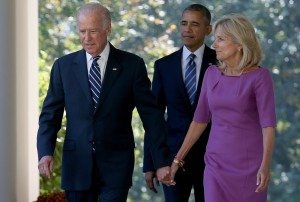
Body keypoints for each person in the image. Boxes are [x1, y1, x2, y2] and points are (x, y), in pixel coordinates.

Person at [37, 3, 172, 202]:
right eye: (82, 31)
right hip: (77, 165)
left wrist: (161, 162)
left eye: (93, 31)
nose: (86, 38)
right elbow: (50, 116)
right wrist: (45, 152)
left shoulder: (132, 66)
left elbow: (152, 118)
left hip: (116, 165)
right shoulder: (63, 67)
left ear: (108, 28)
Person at [170, 13, 276, 202]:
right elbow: (200, 119)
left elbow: (268, 125)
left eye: (220, 39)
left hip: (250, 167)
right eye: (215, 39)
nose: (214, 45)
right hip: (215, 164)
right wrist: (178, 159)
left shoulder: (260, 77)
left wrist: (265, 166)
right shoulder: (211, 73)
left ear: (239, 44)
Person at [143, 4, 217, 202]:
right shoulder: (163, 66)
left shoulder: (220, 62)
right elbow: (154, 118)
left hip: (213, 158)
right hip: (172, 158)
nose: (187, 29)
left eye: (194, 24)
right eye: (184, 23)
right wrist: (150, 163)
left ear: (208, 30)